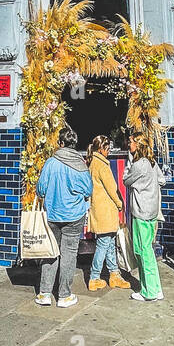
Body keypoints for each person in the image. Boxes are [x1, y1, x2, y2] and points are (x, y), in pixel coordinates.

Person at [35, 125, 93, 308]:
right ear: (74, 144)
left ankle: (44, 293)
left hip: (52, 215)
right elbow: (88, 190)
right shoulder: (80, 164)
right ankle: (64, 295)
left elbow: (41, 189)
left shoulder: (51, 163)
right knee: (69, 254)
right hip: (74, 215)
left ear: (60, 143)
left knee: (50, 252)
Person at [124, 133, 166, 302]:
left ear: (138, 145)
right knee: (147, 248)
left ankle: (148, 291)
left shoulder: (138, 164)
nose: (129, 145)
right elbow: (161, 180)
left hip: (141, 210)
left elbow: (126, 180)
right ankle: (155, 287)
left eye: (131, 142)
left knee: (142, 250)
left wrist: (129, 161)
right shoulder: (152, 162)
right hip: (152, 210)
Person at [86, 135, 131, 291]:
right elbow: (112, 188)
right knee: (104, 244)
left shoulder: (92, 163)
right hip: (106, 210)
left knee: (109, 243)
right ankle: (94, 277)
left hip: (99, 210)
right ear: (102, 149)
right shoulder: (102, 165)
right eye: (107, 148)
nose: (109, 151)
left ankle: (114, 275)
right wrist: (120, 204)